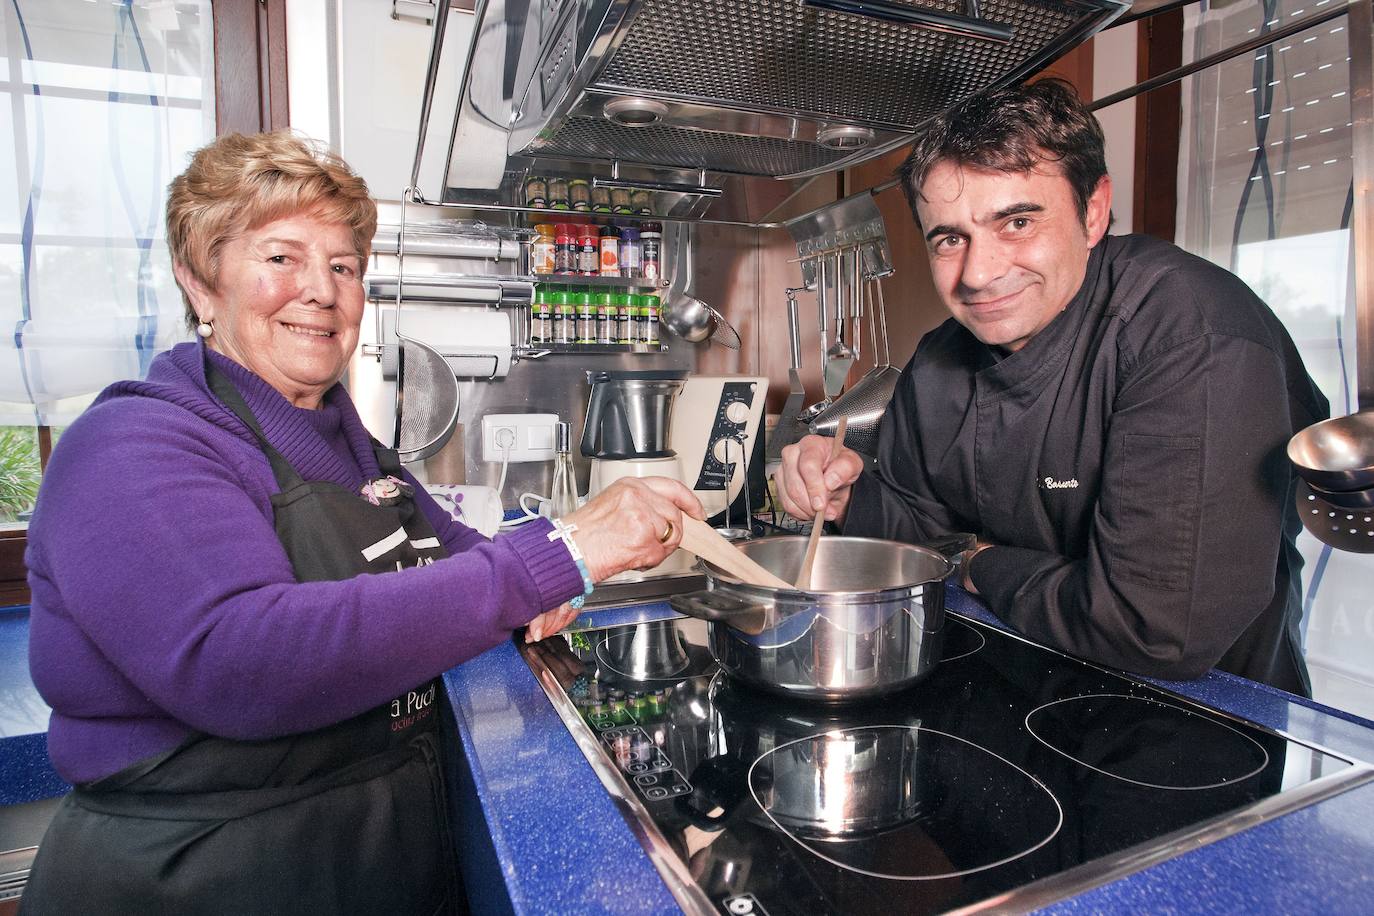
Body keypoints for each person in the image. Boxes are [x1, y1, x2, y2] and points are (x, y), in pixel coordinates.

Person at [21, 130, 703, 915]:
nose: (321, 290)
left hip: (371, 850)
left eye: (343, 267)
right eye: (281, 258)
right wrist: (556, 556)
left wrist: (544, 584)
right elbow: (242, 662)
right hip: (203, 872)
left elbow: (471, 564)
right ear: (200, 282)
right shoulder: (132, 447)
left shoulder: (356, 450)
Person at [774, 80, 1327, 696]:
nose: (978, 275)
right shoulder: (938, 362)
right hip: (1011, 694)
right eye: (950, 238)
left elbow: (1157, 629)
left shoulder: (1190, 335)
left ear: (1093, 212)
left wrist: (982, 564)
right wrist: (846, 494)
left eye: (1016, 222)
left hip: (1197, 729)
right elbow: (915, 533)